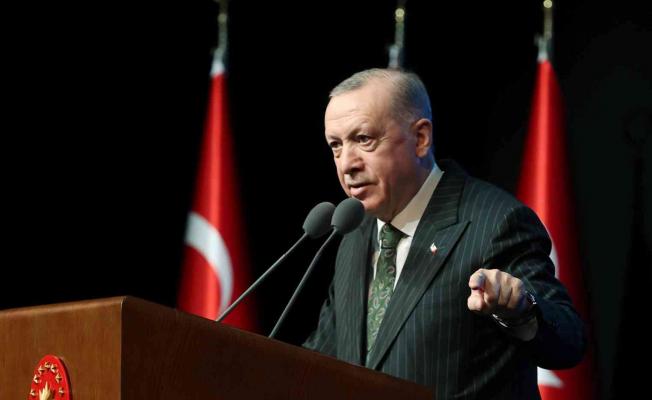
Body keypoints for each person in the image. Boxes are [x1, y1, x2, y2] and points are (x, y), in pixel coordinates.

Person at [303, 68, 586, 399]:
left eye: (364, 139)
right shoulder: (355, 233)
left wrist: (521, 312)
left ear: (421, 138)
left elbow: (568, 342)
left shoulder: (496, 222)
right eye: (336, 145)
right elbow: (323, 355)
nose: (346, 164)